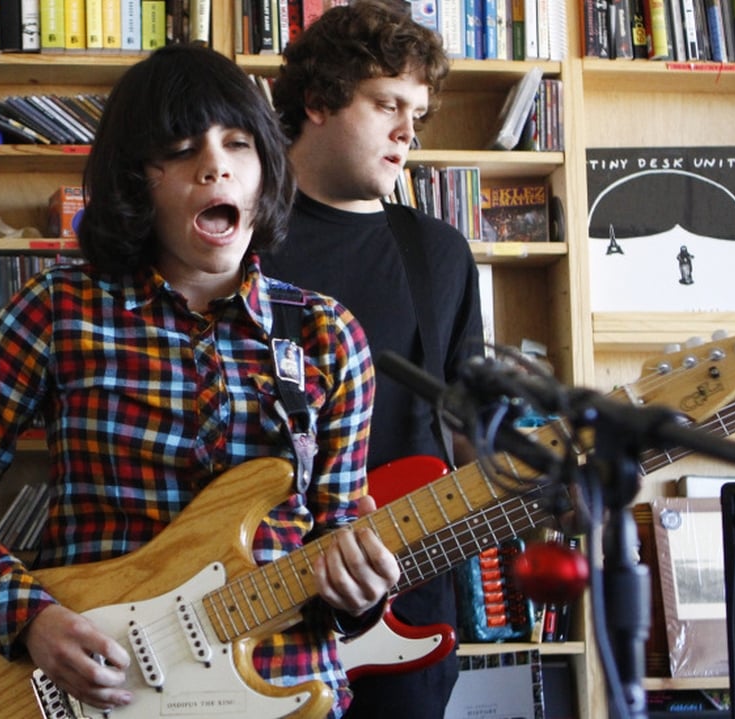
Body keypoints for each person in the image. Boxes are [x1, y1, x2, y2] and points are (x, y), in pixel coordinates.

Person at [0, 43, 398, 717]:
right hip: (101, 688)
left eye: (238, 143)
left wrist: (361, 590)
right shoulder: (59, 308)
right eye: (181, 149)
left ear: (265, 169)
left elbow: (336, 541)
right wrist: (26, 616)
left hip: (283, 689)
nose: (215, 164)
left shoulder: (327, 335)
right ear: (136, 179)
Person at [263, 2, 485, 717]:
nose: (407, 131)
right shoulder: (237, 240)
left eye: (416, 112)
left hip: (404, 605)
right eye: (387, 103)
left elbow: (464, 428)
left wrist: (543, 473)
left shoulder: (439, 253)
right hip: (252, 612)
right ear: (318, 101)